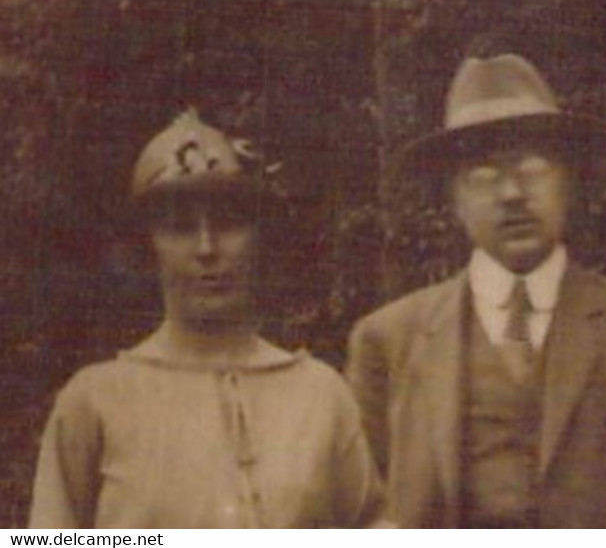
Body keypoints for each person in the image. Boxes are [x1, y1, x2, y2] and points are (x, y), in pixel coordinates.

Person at [345, 54, 606, 528]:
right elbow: (359, 517)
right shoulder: (387, 340)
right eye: (483, 175)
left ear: (569, 181)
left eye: (532, 166)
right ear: (454, 200)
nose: (511, 193)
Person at [29, 111, 383, 528]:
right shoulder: (94, 401)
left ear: (258, 238)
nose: (206, 248)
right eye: (180, 228)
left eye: (229, 223)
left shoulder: (321, 395)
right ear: (149, 247)